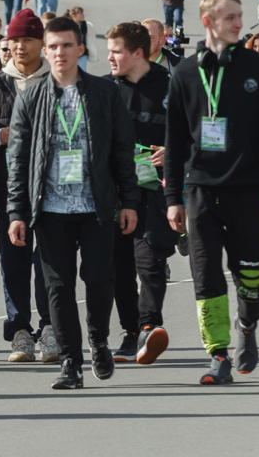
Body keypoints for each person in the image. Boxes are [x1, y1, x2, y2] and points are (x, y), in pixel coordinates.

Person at [5, 16, 139, 389]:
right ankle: (69, 362)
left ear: (81, 48)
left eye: (68, 45)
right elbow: (17, 160)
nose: (60, 52)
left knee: (99, 280)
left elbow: (122, 151)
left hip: (96, 206)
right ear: (44, 51)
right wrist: (17, 211)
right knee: (58, 288)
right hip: (50, 211)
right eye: (54, 46)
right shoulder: (31, 97)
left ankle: (98, 340)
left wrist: (128, 200)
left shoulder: (104, 93)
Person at [164, 0, 259, 385]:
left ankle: (247, 325)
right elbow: (175, 140)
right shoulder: (184, 73)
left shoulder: (257, 68)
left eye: (239, 15)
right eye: (230, 17)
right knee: (206, 276)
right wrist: (173, 198)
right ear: (208, 22)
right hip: (200, 190)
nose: (239, 22)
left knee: (253, 274)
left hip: (249, 189)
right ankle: (218, 355)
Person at [0, 9, 56, 363]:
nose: (20, 47)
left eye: (28, 40)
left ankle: (51, 328)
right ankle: (19, 331)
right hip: (9, 185)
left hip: (54, 186)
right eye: (14, 40)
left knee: (51, 258)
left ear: (41, 43)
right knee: (14, 258)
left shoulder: (58, 80)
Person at [106, 22, 177, 365]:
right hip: (114, 194)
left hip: (155, 190)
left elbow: (202, 133)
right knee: (118, 265)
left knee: (149, 261)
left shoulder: (171, 86)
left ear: (138, 53)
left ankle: (150, 326)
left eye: (116, 51)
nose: (110, 58)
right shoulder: (103, 89)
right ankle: (132, 332)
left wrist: (174, 151)